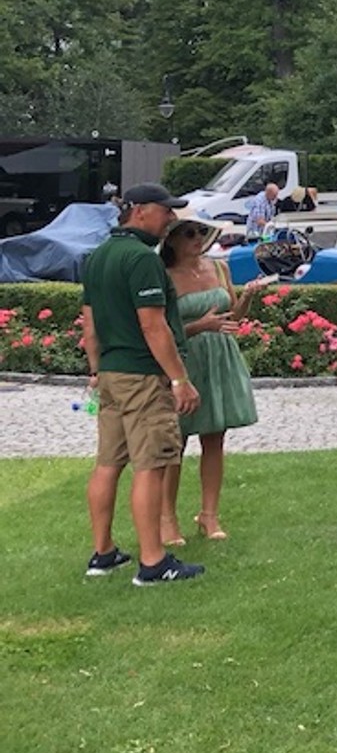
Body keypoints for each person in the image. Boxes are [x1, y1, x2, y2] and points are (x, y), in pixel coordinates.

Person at [79, 183, 205, 585]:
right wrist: (179, 379)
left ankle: (103, 554)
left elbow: (90, 323)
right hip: (142, 376)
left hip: (112, 375)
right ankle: (153, 562)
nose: (171, 219)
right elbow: (153, 325)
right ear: (139, 212)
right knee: (151, 465)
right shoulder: (141, 259)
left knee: (108, 463)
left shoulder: (99, 256)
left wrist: (97, 370)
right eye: (165, 211)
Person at [158, 216, 262, 545]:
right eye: (189, 233)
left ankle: (209, 515)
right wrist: (199, 326)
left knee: (215, 437)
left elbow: (232, 318)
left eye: (201, 232)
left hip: (220, 355)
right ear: (172, 240)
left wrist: (247, 298)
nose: (197, 238)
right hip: (186, 359)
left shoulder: (218, 269)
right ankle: (166, 519)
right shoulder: (165, 277)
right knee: (176, 441)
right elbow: (160, 330)